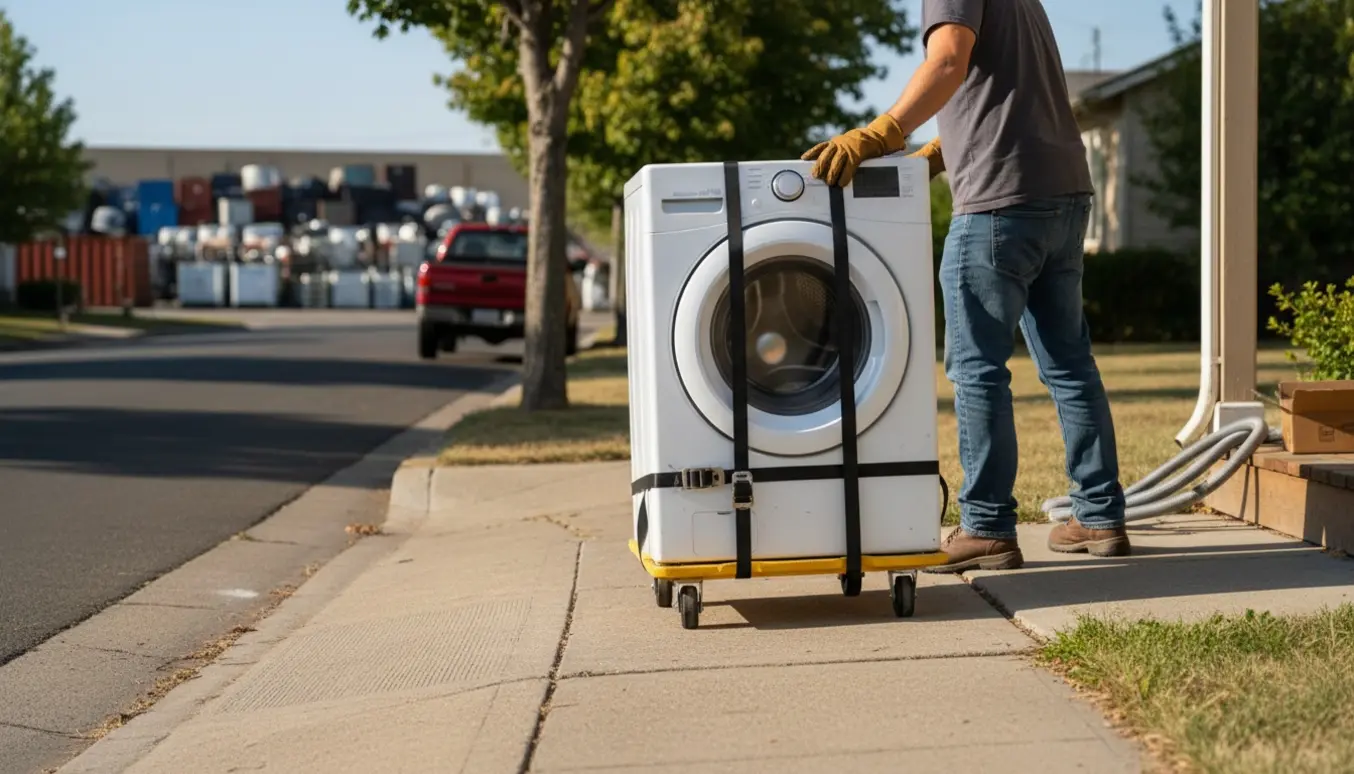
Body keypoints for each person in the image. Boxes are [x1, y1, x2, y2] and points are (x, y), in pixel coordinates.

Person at [802, 0, 1129, 571]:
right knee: (1070, 364)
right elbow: (1005, 90)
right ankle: (1100, 515)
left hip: (999, 202)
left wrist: (880, 134)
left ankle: (986, 526)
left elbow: (949, 61)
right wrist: (940, 149)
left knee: (978, 370)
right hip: (1063, 192)